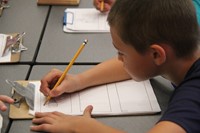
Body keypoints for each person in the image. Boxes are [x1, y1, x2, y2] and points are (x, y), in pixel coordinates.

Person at [31, 0, 200, 132]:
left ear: (157, 54)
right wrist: (78, 80)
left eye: (121, 53)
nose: (119, 59)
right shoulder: (179, 51)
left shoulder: (194, 93)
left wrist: (83, 127)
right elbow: (136, 64)